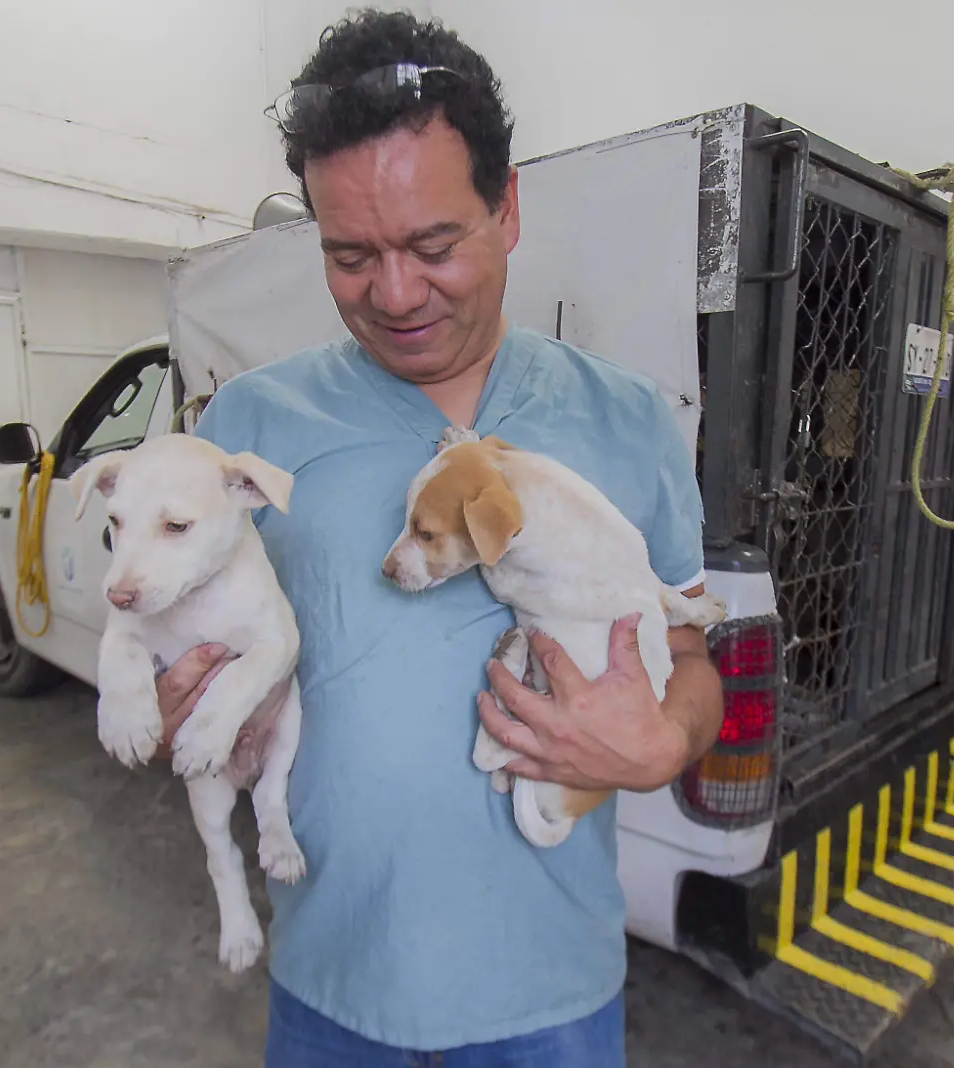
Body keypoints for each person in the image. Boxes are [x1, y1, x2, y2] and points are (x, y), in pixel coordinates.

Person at [149, 10, 722, 1064]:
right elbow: (184, 644)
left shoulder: (628, 419)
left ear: (506, 209)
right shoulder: (247, 434)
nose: (396, 294)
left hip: (549, 989)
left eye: (432, 244)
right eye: (350, 255)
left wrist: (666, 741)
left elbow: (688, 652)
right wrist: (188, 699)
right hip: (330, 982)